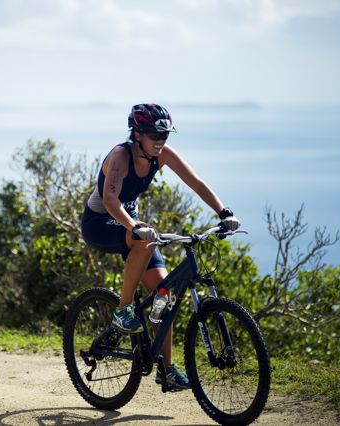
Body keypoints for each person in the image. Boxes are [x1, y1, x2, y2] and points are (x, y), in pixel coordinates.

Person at [80, 103, 241, 391]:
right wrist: (134, 226)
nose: (161, 141)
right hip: (100, 224)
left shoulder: (162, 155)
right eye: (155, 135)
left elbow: (196, 182)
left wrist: (224, 212)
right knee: (147, 237)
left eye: (165, 136)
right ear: (137, 133)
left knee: (164, 296)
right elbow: (110, 201)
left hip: (132, 228)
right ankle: (123, 309)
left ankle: (166, 370)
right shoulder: (120, 156)